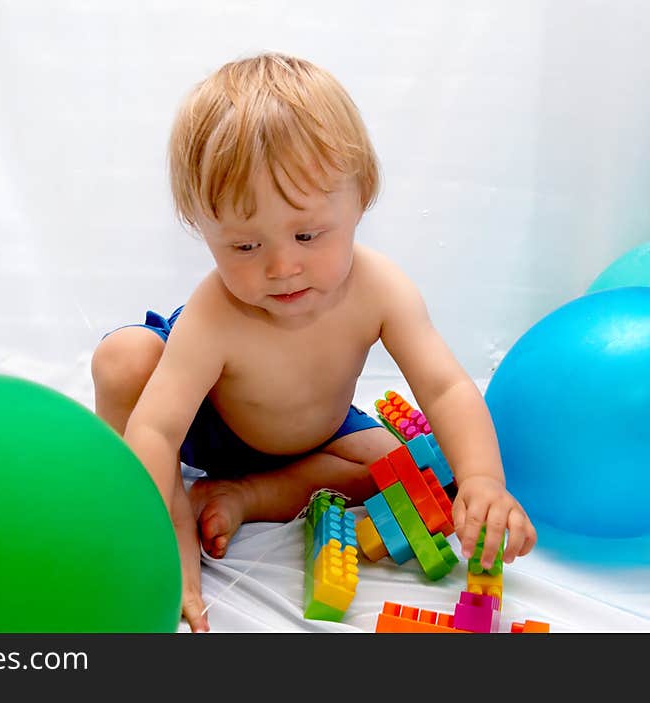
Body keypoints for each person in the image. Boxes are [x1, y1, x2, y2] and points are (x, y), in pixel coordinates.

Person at [91, 52, 536, 633]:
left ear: (360, 200)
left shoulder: (380, 288)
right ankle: (172, 506)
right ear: (202, 230)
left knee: (421, 474)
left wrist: (483, 481)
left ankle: (250, 497)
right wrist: (163, 538)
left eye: (307, 234)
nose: (281, 267)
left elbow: (447, 387)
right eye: (244, 247)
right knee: (124, 359)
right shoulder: (216, 312)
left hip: (316, 435)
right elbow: (156, 428)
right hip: (212, 425)